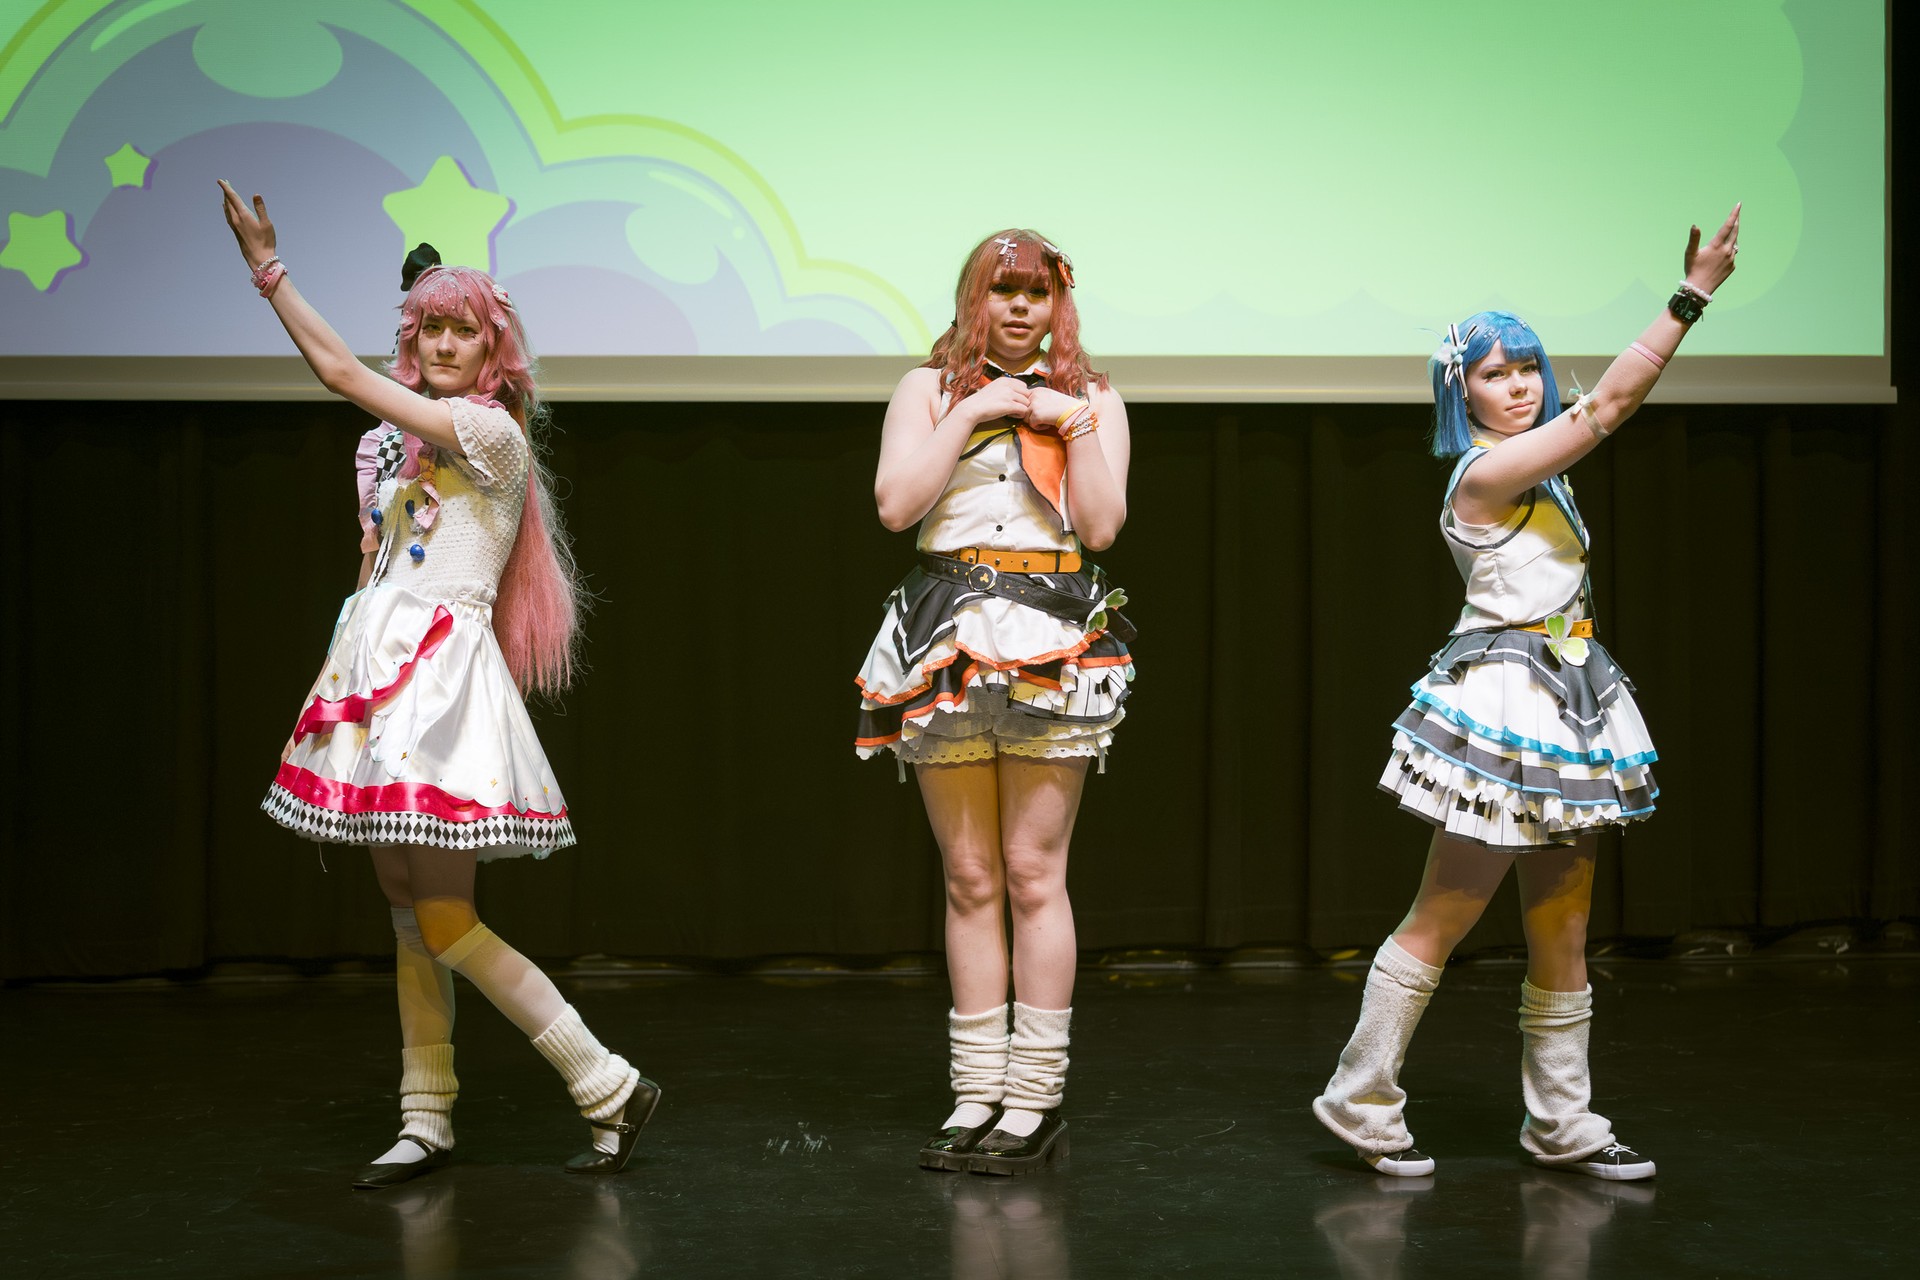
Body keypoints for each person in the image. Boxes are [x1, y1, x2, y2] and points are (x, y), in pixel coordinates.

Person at [218, 180, 658, 1188]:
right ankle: (426, 1114)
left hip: (440, 682)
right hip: (380, 671)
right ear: (413, 339)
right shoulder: (394, 448)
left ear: (493, 349)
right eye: (431, 328)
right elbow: (377, 555)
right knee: (406, 908)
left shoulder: (490, 433)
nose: (447, 343)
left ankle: (607, 1080)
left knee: (446, 915)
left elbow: (338, 370)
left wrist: (267, 269)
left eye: (465, 329)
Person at [1313, 205, 1742, 1182]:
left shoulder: (1542, 471)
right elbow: (1610, 407)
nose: (1518, 385)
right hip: (1505, 699)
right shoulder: (1488, 472)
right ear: (1460, 392)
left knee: (1564, 918)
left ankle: (1562, 1120)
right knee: (1448, 907)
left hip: (1568, 693)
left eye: (1527, 368)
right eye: (1493, 374)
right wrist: (1691, 296)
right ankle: (1359, 1095)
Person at [857, 230, 1134, 1174]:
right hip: (946, 636)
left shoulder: (1093, 396)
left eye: (1036, 293)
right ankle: (976, 1091)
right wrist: (972, 409)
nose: (1019, 308)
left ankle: (1035, 1099)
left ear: (1058, 304)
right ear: (974, 298)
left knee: (1031, 870)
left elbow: (1101, 526)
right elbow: (896, 507)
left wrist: (1072, 423)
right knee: (970, 876)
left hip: (1052, 636)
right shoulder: (925, 390)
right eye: (1002, 291)